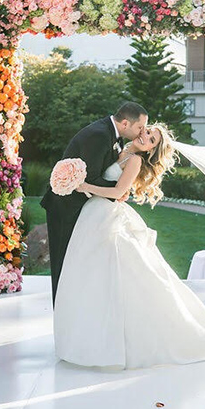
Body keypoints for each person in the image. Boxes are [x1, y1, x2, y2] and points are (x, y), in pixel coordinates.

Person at [53, 124, 205, 369]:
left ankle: (121, 342)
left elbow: (118, 191)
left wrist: (85, 187)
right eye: (147, 131)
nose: (144, 135)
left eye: (151, 138)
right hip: (92, 215)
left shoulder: (134, 160)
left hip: (106, 215)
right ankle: (86, 338)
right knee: (90, 276)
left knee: (120, 274)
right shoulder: (120, 148)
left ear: (151, 150)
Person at [40, 102, 148, 305]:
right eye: (140, 127)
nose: (142, 132)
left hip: (83, 207)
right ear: (125, 123)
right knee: (62, 261)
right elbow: (92, 177)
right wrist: (117, 192)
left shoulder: (110, 133)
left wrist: (118, 191)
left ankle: (74, 307)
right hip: (65, 206)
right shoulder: (100, 135)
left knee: (75, 260)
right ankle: (62, 310)